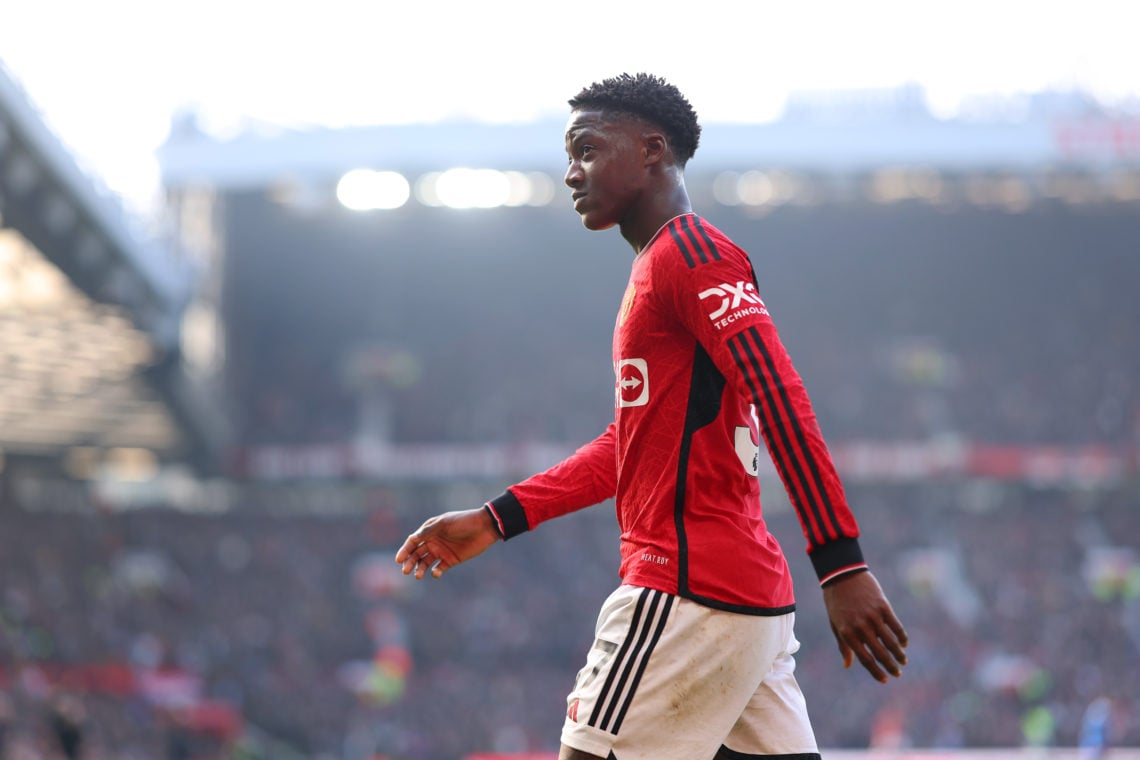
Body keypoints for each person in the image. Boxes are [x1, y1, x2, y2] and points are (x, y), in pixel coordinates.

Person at [396, 72, 908, 760]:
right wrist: (498, 518)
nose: (571, 173)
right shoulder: (656, 270)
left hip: (686, 591)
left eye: (587, 149)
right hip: (738, 604)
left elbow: (778, 392)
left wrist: (841, 563)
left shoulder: (692, 255)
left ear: (651, 149)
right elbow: (632, 446)